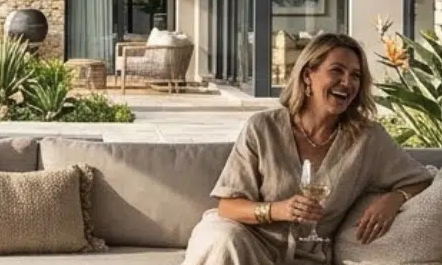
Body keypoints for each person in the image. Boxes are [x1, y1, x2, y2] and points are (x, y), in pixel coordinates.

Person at [183, 33, 432, 264]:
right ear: (307, 75)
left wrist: (393, 199)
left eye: (356, 75)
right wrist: (278, 210)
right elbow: (228, 207)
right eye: (337, 71)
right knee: (224, 238)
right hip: (246, 240)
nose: (347, 82)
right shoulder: (263, 128)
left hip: (308, 256)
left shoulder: (367, 139)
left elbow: (421, 178)